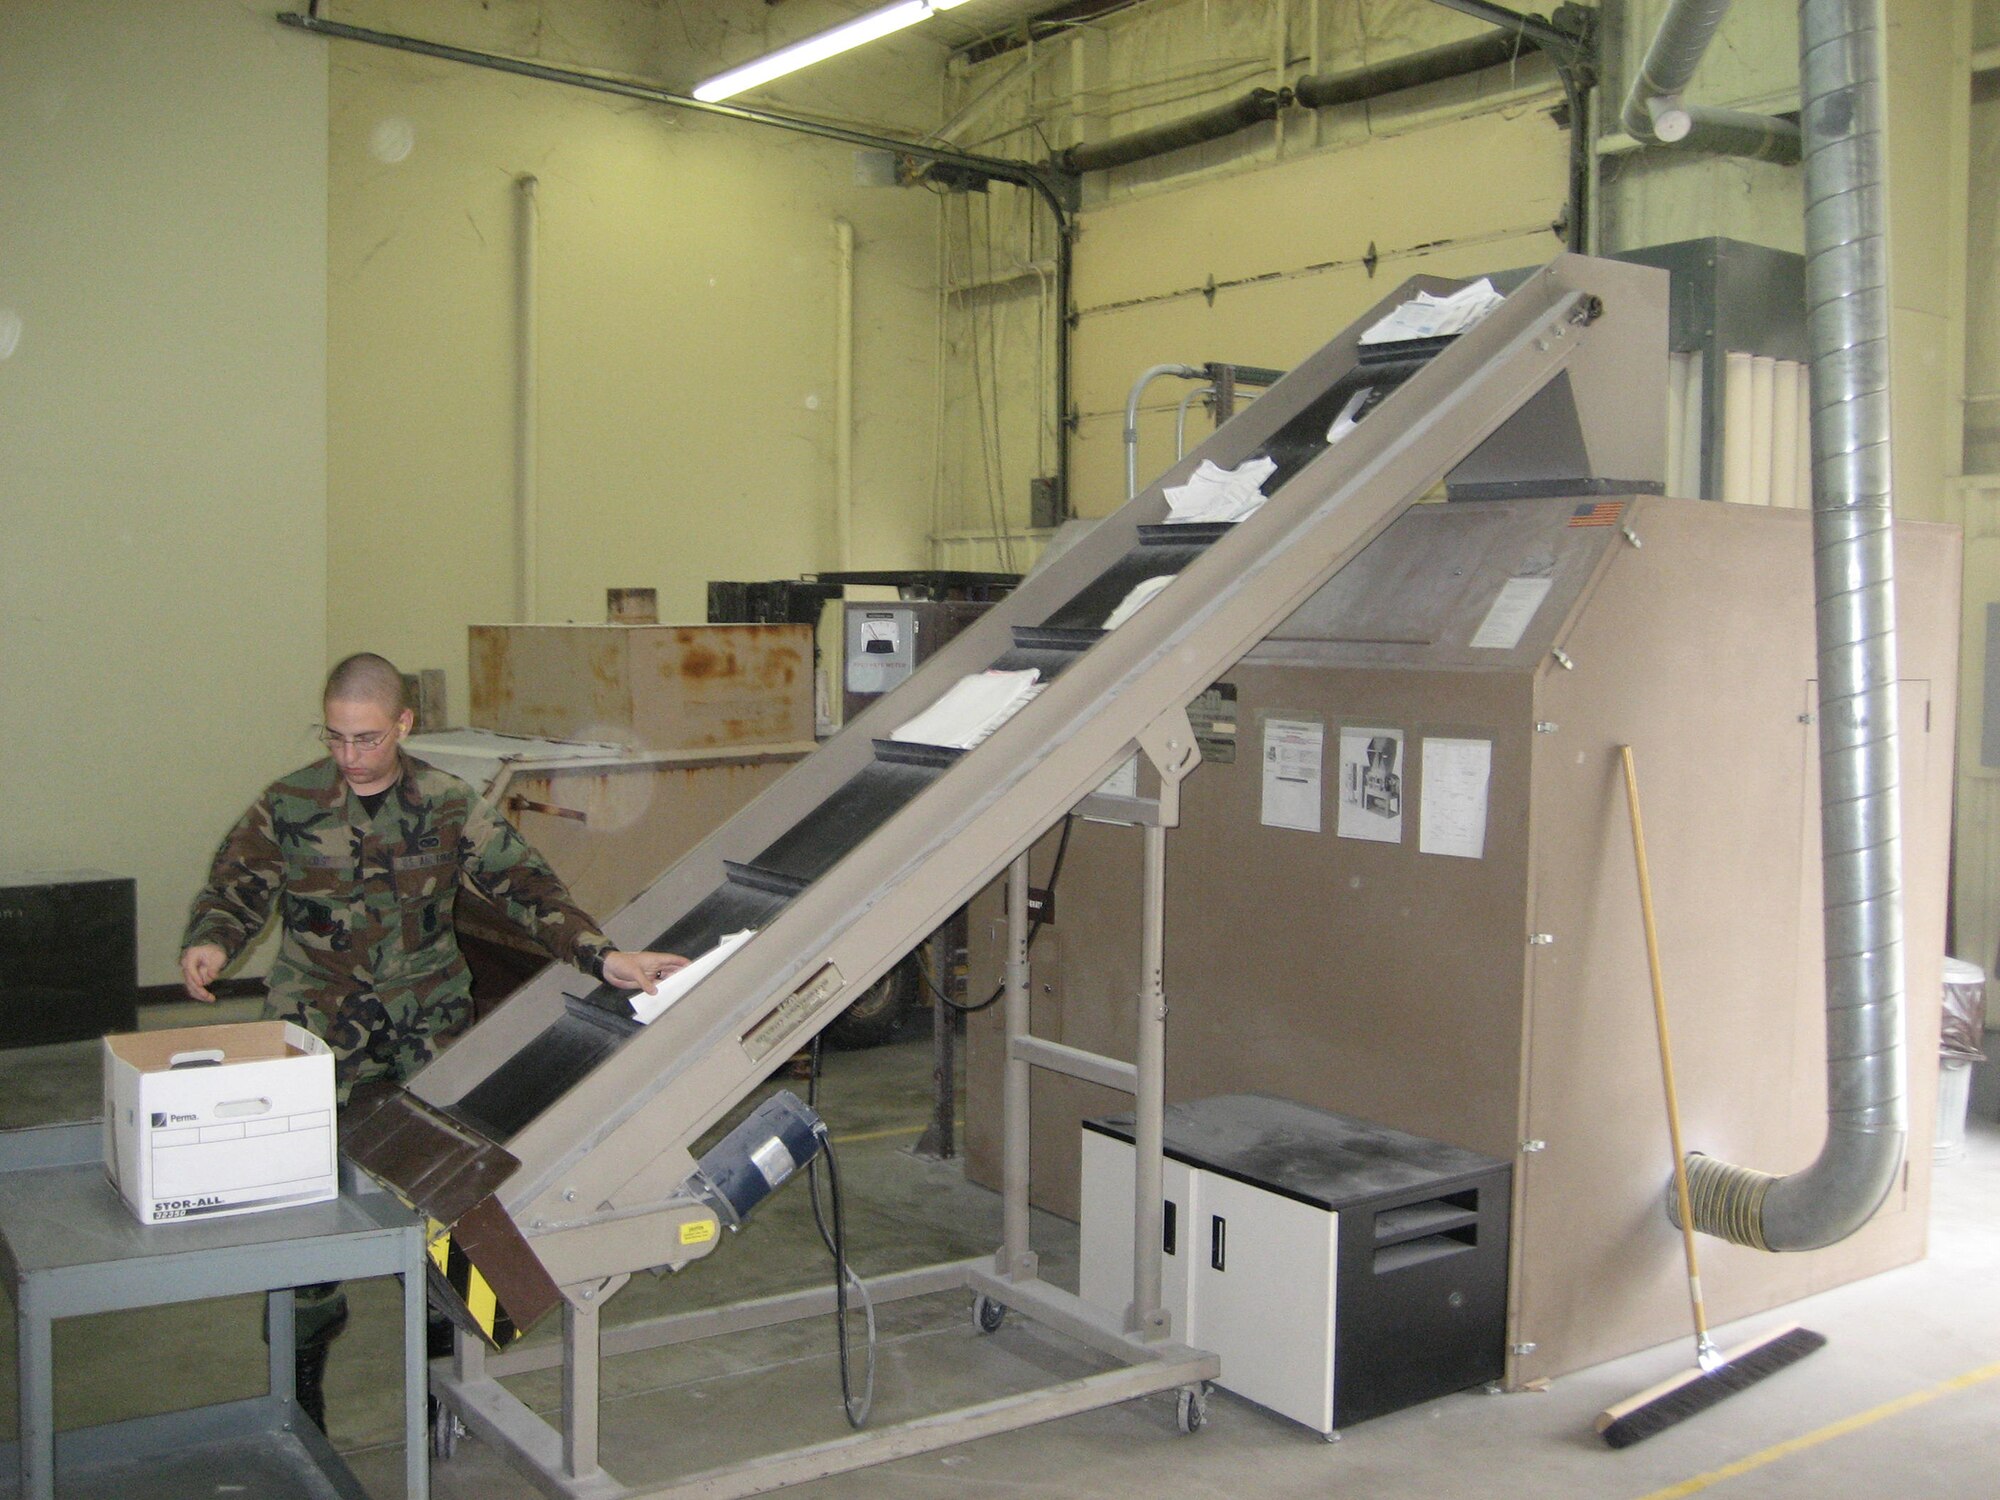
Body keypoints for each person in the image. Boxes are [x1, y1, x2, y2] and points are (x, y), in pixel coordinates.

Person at [180, 651, 688, 1430]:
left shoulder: (450, 807)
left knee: (442, 1214)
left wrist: (604, 956)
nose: (349, 757)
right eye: (337, 738)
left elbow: (529, 891)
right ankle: (300, 1385)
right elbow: (236, 886)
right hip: (317, 1041)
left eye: (367, 739)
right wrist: (212, 940)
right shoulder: (289, 803)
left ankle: (441, 1386)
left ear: (404, 726)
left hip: (427, 1040)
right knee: (305, 1207)